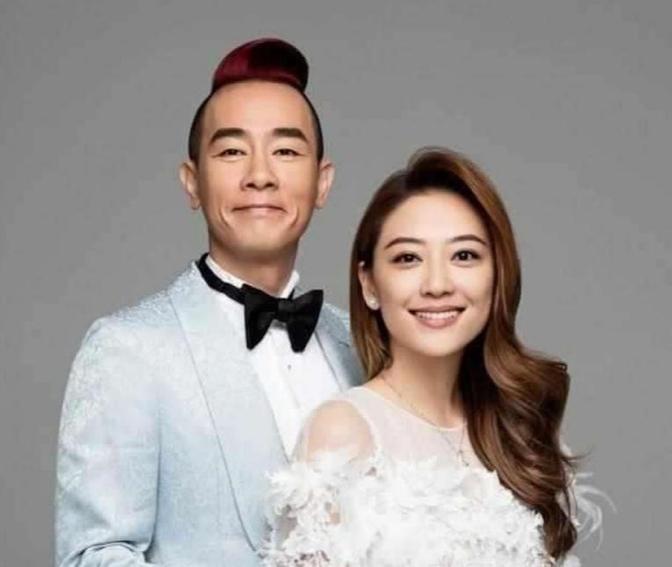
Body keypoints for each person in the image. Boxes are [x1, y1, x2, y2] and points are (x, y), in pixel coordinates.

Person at [55, 38, 362, 567]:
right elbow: (91, 556)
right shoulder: (126, 349)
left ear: (322, 182)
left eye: (286, 151)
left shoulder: (360, 344)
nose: (260, 175)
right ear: (192, 182)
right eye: (232, 151)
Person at [261, 148, 602, 566]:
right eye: (408, 258)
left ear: (497, 274)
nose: (437, 284)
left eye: (464, 255)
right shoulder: (343, 433)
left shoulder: (518, 430)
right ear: (369, 284)